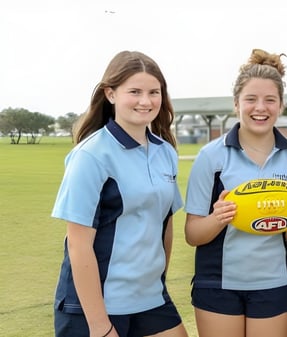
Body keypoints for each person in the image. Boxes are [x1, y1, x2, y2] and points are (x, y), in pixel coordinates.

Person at [51, 51, 188, 337]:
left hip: (150, 298)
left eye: (154, 92)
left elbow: (165, 224)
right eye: (134, 92)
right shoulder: (91, 155)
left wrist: (157, 280)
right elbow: (78, 245)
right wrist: (100, 326)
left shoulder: (166, 153)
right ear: (110, 94)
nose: (145, 101)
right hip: (94, 307)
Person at [184, 48, 287, 337]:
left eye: (270, 100)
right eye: (251, 99)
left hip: (273, 285)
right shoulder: (210, 157)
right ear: (236, 104)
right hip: (217, 285)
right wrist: (218, 217)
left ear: (280, 105)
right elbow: (193, 234)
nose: (261, 108)